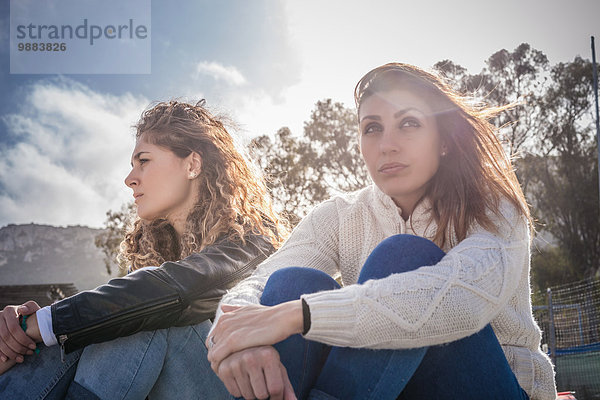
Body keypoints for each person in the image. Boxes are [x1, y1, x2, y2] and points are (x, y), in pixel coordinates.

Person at [205, 63, 558, 400]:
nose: (387, 144)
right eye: (372, 127)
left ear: (444, 140)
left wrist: (293, 316)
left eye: (408, 123)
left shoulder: (492, 205)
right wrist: (237, 339)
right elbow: (258, 283)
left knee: (404, 257)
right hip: (384, 389)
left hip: (493, 386)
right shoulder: (341, 215)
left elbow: (462, 301)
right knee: (289, 283)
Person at [0, 100, 287, 399]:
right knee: (96, 322)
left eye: (144, 161)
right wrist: (16, 334)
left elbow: (171, 293)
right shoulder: (156, 253)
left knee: (145, 312)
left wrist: (38, 324)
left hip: (242, 389)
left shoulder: (254, 239)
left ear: (192, 165)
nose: (129, 179)